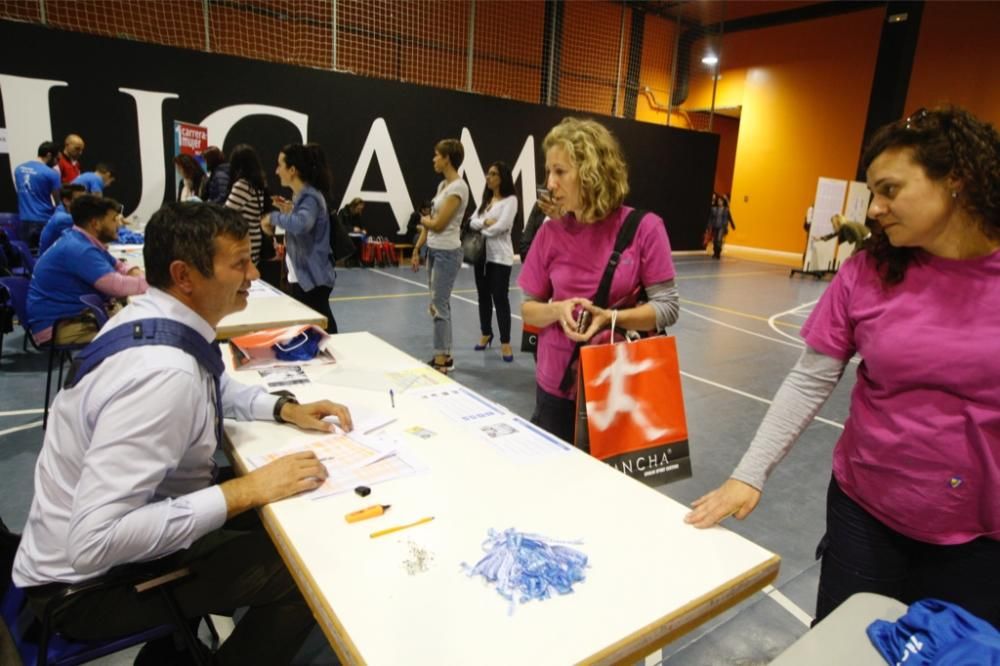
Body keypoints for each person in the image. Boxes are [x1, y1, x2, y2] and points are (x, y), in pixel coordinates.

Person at [685, 106, 1000, 629]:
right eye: (872, 192)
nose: (875, 209)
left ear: (957, 179)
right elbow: (809, 380)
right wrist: (749, 473)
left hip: (979, 541)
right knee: (841, 645)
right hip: (865, 516)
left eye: (890, 190)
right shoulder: (867, 271)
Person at [13, 201, 354, 665]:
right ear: (185, 275)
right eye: (239, 263)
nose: (254, 273)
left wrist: (282, 408)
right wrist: (244, 490)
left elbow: (213, 385)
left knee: (277, 514)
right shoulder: (162, 376)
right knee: (306, 571)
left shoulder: (154, 320)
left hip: (84, 557)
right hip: (85, 591)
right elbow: (94, 540)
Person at [518, 117, 680, 444]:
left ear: (591, 173)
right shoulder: (549, 233)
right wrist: (557, 309)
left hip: (618, 383)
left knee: (608, 489)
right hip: (556, 384)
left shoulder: (645, 228)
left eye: (560, 172)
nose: (550, 182)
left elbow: (668, 308)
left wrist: (611, 318)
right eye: (548, 171)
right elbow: (528, 309)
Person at [27, 195, 147, 345]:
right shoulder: (79, 249)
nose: (119, 224)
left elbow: (119, 266)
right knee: (140, 335)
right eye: (113, 219)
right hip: (60, 327)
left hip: (72, 317)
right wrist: (154, 285)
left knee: (139, 322)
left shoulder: (82, 239)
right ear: (95, 224)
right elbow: (117, 286)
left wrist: (139, 275)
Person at [261, 143, 338, 333]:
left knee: (321, 327)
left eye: (280, 165)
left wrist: (273, 217)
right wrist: (289, 210)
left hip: (312, 278)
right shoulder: (301, 197)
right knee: (318, 325)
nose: (277, 171)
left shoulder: (310, 197)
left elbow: (303, 224)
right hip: (306, 277)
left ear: (292, 170)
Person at [410, 138, 470, 373]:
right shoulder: (443, 186)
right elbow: (431, 225)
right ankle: (445, 353)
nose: (434, 159)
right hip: (434, 250)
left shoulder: (458, 188)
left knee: (439, 305)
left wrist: (422, 220)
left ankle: (441, 360)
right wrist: (417, 248)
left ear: (447, 158)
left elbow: (438, 223)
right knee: (439, 305)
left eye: (437, 155)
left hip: (447, 253)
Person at [469, 161, 518, 362]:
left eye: (493, 174)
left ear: (502, 178)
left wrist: (484, 230)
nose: (488, 177)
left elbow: (503, 226)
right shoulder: (485, 200)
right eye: (488, 174)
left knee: (500, 297)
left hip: (500, 258)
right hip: (481, 256)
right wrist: (484, 223)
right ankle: (486, 333)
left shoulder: (510, 200)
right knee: (483, 296)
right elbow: (471, 221)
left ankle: (505, 342)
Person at [225, 143, 268, 266]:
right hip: (255, 239)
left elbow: (226, 212)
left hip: (243, 240)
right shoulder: (258, 184)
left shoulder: (243, 185)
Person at [14, 140, 61, 249]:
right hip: (43, 221)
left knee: (28, 259)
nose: (57, 163)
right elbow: (58, 202)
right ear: (49, 155)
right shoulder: (52, 174)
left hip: (23, 220)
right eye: (57, 159)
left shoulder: (18, 169)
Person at [38, 183, 86, 255]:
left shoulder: (61, 208)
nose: (86, 203)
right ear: (66, 201)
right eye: (81, 200)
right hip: (53, 263)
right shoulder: (62, 219)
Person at [707, 192, 736, 259]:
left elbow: (730, 217)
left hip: (722, 227)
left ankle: (718, 253)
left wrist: (732, 225)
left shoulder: (726, 210)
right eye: (719, 201)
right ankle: (715, 253)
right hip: (715, 226)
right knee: (714, 240)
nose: (720, 202)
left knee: (719, 240)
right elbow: (710, 218)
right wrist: (709, 226)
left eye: (721, 201)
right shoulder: (713, 209)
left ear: (723, 202)